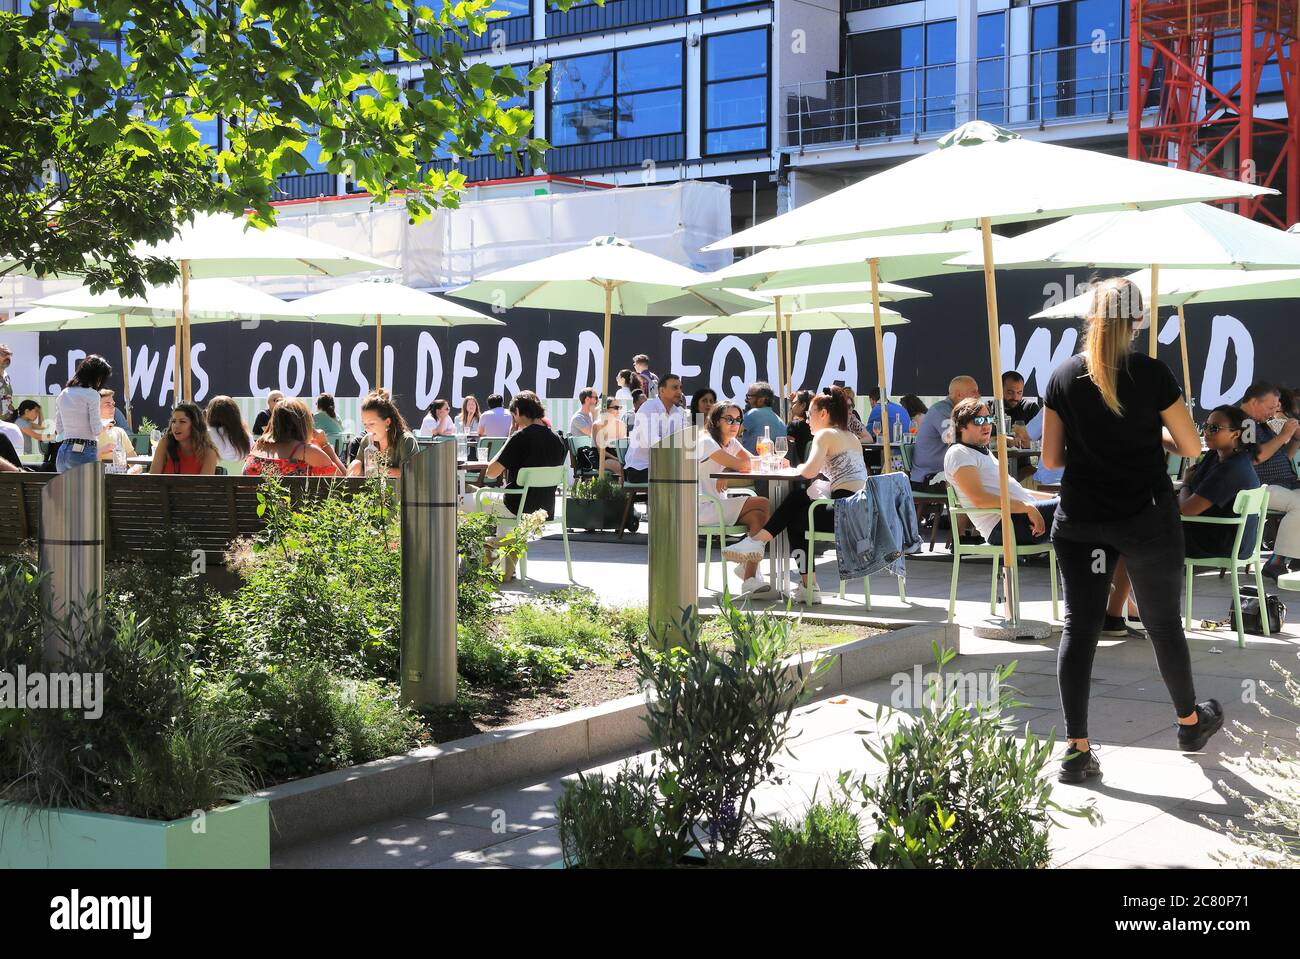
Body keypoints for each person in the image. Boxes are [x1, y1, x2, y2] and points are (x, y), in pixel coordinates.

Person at [1042, 276, 1222, 784]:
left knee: (1081, 627)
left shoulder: (1062, 376)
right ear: (1139, 320)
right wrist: (1154, 433)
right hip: (1144, 516)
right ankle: (1189, 722)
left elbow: (1052, 459)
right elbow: (1191, 446)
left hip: (1080, 518)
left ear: (1090, 318)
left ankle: (1076, 749)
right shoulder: (1152, 373)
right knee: (1164, 623)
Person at [723, 387, 866, 603]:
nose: (807, 420)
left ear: (824, 414)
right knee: (798, 502)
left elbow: (808, 471)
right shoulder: (851, 437)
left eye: (810, 414)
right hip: (859, 511)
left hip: (843, 512)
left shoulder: (825, 434)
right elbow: (819, 472)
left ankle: (759, 544)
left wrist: (792, 468)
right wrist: (796, 468)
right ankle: (805, 585)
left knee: (796, 513)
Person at [943, 398, 1057, 545]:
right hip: (1003, 526)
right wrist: (1026, 507)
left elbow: (1020, 492)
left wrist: (1053, 497)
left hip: (1016, 517)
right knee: (1075, 506)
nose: (986, 425)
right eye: (978, 421)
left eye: (988, 419)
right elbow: (980, 499)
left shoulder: (981, 451)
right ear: (961, 426)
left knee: (1073, 503)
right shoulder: (960, 453)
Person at [698, 402, 771, 593]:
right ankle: (746, 563)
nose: (734, 424)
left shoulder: (730, 442)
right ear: (715, 421)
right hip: (703, 507)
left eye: (738, 420)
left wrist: (729, 468)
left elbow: (748, 461)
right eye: (729, 419)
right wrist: (734, 466)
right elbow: (746, 465)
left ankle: (749, 578)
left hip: (718, 505)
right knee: (763, 503)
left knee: (758, 517)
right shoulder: (707, 441)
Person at [1180, 405, 1262, 560]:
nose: (1206, 431)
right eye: (1206, 426)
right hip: (1226, 537)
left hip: (1219, 543)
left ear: (1235, 434)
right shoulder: (1216, 456)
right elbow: (1196, 483)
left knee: (1145, 529)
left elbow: (1187, 509)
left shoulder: (1230, 468)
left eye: (1215, 428)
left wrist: (1184, 483)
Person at [1238, 381, 1300, 579]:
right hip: (1257, 485)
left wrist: (1292, 436)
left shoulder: (1265, 422)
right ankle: (1277, 561)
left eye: (1277, 407)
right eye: (1271, 407)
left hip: (1282, 483)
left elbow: (1284, 453)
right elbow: (1253, 458)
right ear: (1255, 402)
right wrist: (1283, 436)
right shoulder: (1243, 421)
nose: (1274, 411)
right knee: (1299, 505)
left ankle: (1296, 556)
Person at [472, 391, 568, 517]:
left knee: (467, 498)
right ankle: (507, 537)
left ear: (516, 411)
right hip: (545, 510)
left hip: (516, 506)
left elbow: (491, 473)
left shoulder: (520, 437)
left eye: (513, 416)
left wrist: (510, 437)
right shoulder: (558, 439)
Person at [911, 375, 981, 487]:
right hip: (929, 477)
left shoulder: (957, 411)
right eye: (974, 392)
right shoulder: (942, 411)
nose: (978, 395)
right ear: (959, 395)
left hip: (944, 473)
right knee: (982, 485)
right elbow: (956, 440)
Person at [246, 398, 342, 477]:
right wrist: (325, 445)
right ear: (304, 423)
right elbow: (344, 482)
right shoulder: (307, 452)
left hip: (254, 500)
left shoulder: (258, 447)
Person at [55, 354, 112, 473]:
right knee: (90, 491)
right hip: (85, 450)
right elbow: (96, 429)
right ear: (97, 377)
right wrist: (105, 425)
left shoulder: (64, 393)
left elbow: (59, 429)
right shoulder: (92, 394)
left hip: (63, 452)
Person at [624, 374, 685, 484]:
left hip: (662, 468)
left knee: (693, 472)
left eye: (680, 388)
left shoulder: (677, 411)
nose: (679, 392)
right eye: (675, 388)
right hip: (639, 469)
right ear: (661, 390)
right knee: (683, 476)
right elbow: (654, 444)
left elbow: (680, 441)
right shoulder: (649, 407)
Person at [343, 390, 419, 478]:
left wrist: (378, 470)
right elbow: (361, 471)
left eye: (372, 423)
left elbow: (411, 473)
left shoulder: (406, 441)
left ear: (387, 421)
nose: (367, 428)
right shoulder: (367, 440)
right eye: (364, 424)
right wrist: (356, 465)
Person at [149, 402, 219, 475]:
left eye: (182, 421)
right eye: (173, 421)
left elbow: (204, 485)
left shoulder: (209, 452)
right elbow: (152, 479)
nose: (176, 426)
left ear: (194, 426)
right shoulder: (165, 443)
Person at [740, 381, 786, 454]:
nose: (746, 400)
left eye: (749, 397)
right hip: (773, 463)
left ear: (761, 400)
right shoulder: (781, 422)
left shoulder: (753, 413)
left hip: (752, 463)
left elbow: (731, 435)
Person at [96, 390, 134, 472]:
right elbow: (81, 465)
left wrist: (134, 470)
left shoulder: (119, 432)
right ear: (95, 408)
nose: (113, 408)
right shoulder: (87, 434)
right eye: (107, 404)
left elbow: (135, 462)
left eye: (113, 404)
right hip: (97, 482)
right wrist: (101, 451)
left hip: (119, 481)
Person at [206, 395, 252, 462]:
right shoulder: (247, 436)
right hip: (239, 472)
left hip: (215, 471)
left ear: (211, 413)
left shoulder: (205, 435)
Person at [593, 397, 626, 478]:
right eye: (616, 408)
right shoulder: (598, 425)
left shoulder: (621, 424)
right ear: (606, 409)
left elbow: (622, 447)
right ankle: (625, 489)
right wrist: (617, 459)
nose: (618, 411)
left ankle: (625, 489)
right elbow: (601, 451)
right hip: (601, 457)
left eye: (619, 407)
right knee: (624, 469)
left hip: (616, 455)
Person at [786, 389, 815, 466]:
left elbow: (788, 449)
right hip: (812, 470)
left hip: (796, 470)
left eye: (794, 403)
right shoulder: (816, 426)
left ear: (803, 406)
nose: (791, 406)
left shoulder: (794, 426)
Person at [0, 343, 13, 419]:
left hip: (6, 421)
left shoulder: (6, 376)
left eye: (9, 354)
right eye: (3, 354)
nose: (7, 357)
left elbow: (7, 398)